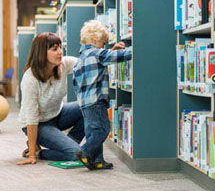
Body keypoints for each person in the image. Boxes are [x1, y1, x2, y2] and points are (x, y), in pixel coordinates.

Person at [17, 32, 85, 165]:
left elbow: (88, 62)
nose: (60, 52)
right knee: (76, 155)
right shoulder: (30, 79)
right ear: (41, 53)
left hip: (58, 114)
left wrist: (109, 53)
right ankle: (40, 152)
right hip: (39, 123)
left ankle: (69, 145)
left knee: (89, 106)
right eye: (54, 49)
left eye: (60, 47)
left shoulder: (63, 64)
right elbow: (31, 118)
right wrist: (32, 155)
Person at [73, 20, 132, 170]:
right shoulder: (98, 53)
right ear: (94, 40)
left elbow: (101, 60)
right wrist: (137, 50)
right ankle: (85, 151)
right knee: (103, 129)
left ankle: (97, 160)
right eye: (103, 43)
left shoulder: (81, 57)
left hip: (84, 103)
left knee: (92, 131)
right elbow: (117, 56)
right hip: (97, 100)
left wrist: (111, 50)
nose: (104, 47)